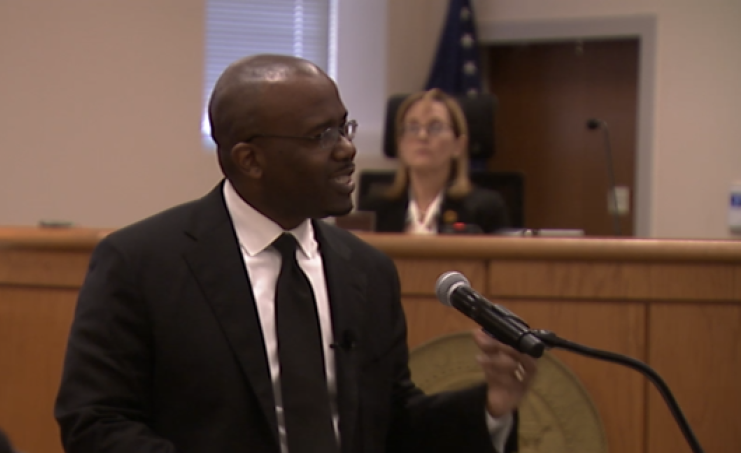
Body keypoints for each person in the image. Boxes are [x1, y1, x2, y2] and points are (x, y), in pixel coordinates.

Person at [54, 54, 537, 453]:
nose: (347, 150)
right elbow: (95, 422)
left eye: (345, 128)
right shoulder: (141, 263)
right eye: (322, 136)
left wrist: (492, 406)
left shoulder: (367, 271)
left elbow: (389, 424)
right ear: (250, 160)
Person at [368, 88, 511, 234]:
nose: (422, 136)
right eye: (413, 128)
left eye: (435, 127)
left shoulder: (484, 211)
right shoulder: (375, 210)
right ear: (400, 144)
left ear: (458, 145)